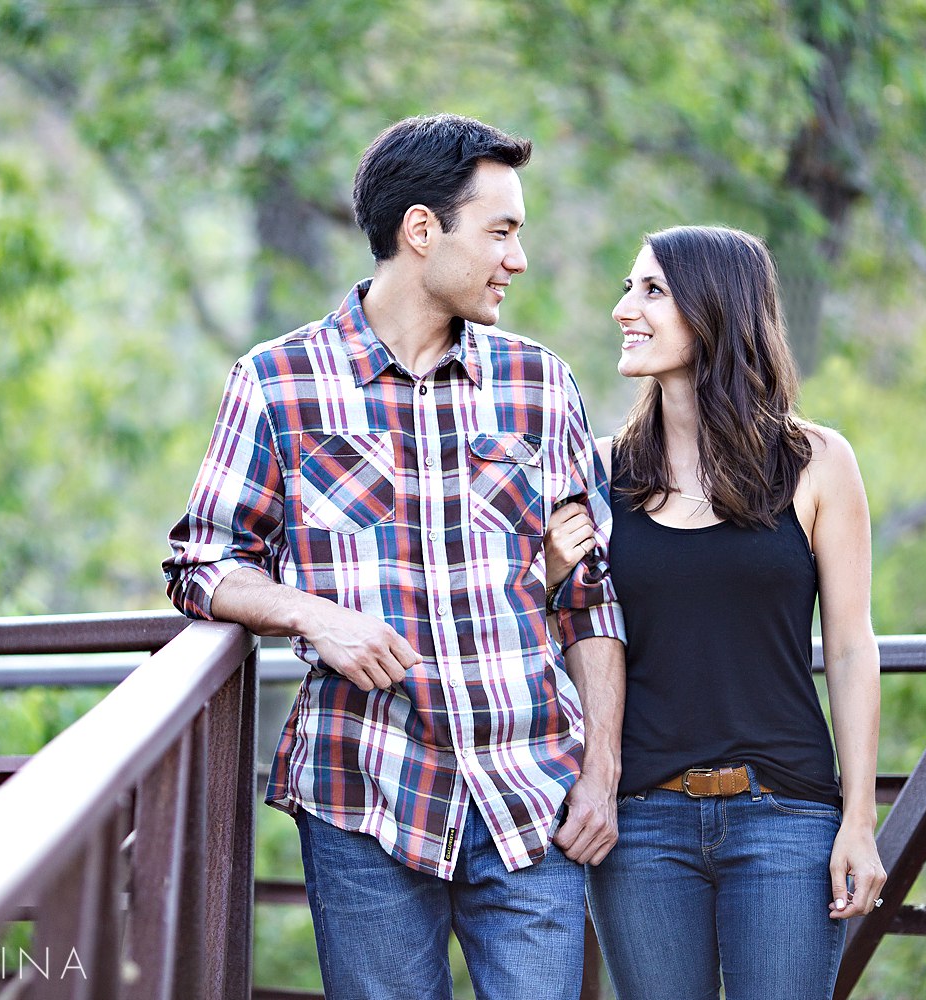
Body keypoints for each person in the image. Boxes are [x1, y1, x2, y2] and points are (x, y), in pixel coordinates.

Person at [163, 113, 627, 1000]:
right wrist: (314, 616)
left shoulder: (539, 386)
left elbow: (591, 600)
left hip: (530, 797)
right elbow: (201, 561)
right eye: (500, 232)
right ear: (422, 231)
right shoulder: (277, 382)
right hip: (364, 791)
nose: (516, 259)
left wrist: (601, 772)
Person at [544, 225, 886, 1000]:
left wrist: (858, 819)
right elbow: (553, 636)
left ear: (716, 312)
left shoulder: (818, 462)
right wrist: (553, 573)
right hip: (639, 827)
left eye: (651, 291)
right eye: (630, 287)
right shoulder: (599, 472)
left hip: (787, 817)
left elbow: (852, 646)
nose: (622, 308)